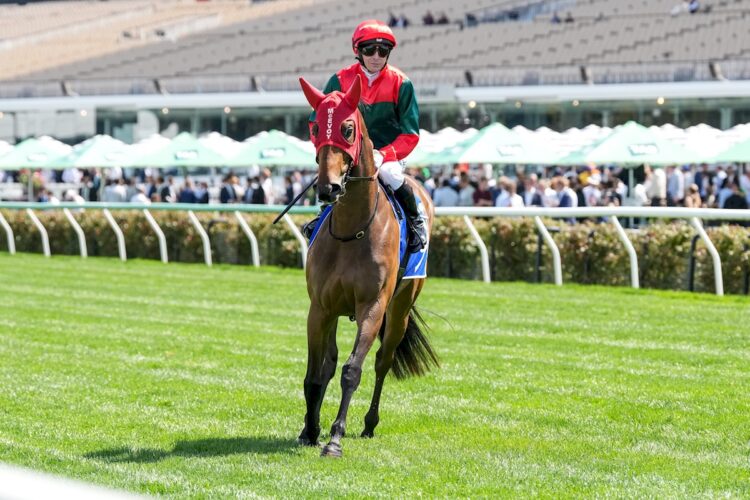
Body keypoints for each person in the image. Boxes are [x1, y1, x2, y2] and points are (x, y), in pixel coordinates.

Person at [302, 20, 427, 252]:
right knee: (331, 180)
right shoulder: (338, 81)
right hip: (350, 154)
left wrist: (383, 154)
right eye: (369, 50)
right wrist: (330, 152)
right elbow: (316, 121)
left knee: (390, 174)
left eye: (383, 50)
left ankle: (416, 221)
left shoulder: (402, 84)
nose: (376, 56)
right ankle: (320, 218)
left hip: (389, 154)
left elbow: (410, 135)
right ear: (357, 51)